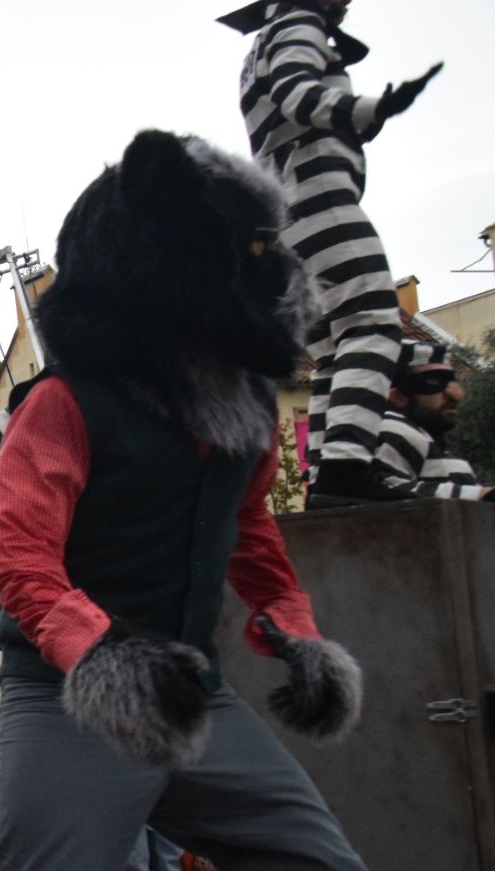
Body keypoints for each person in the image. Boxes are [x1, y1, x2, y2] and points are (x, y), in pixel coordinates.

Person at [224, 0, 443, 504]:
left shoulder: (266, 39)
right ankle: (346, 466)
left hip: (288, 213)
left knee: (329, 354)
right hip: (319, 197)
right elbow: (299, 96)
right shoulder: (297, 24)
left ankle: (331, 472)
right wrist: (373, 107)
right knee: (373, 324)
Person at [377, 349, 491, 501]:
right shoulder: (394, 428)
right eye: (434, 382)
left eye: (451, 381)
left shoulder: (440, 450)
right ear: (398, 396)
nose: (455, 396)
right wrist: (482, 494)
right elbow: (383, 489)